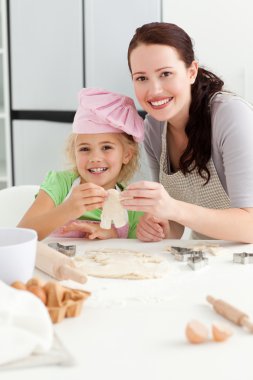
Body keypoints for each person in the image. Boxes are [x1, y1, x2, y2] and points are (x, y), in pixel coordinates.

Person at [120, 22, 253, 243]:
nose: (154, 90)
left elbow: (250, 226)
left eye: (165, 74)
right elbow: (175, 224)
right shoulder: (153, 128)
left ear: (191, 72)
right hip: (207, 255)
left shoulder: (230, 116)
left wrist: (172, 208)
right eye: (141, 78)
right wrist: (159, 226)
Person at [18, 88, 144, 241]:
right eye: (84, 149)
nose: (95, 158)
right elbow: (22, 234)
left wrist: (114, 235)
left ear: (126, 155)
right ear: (74, 153)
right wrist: (68, 209)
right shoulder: (61, 185)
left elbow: (136, 253)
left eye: (106, 147)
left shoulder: (131, 203)